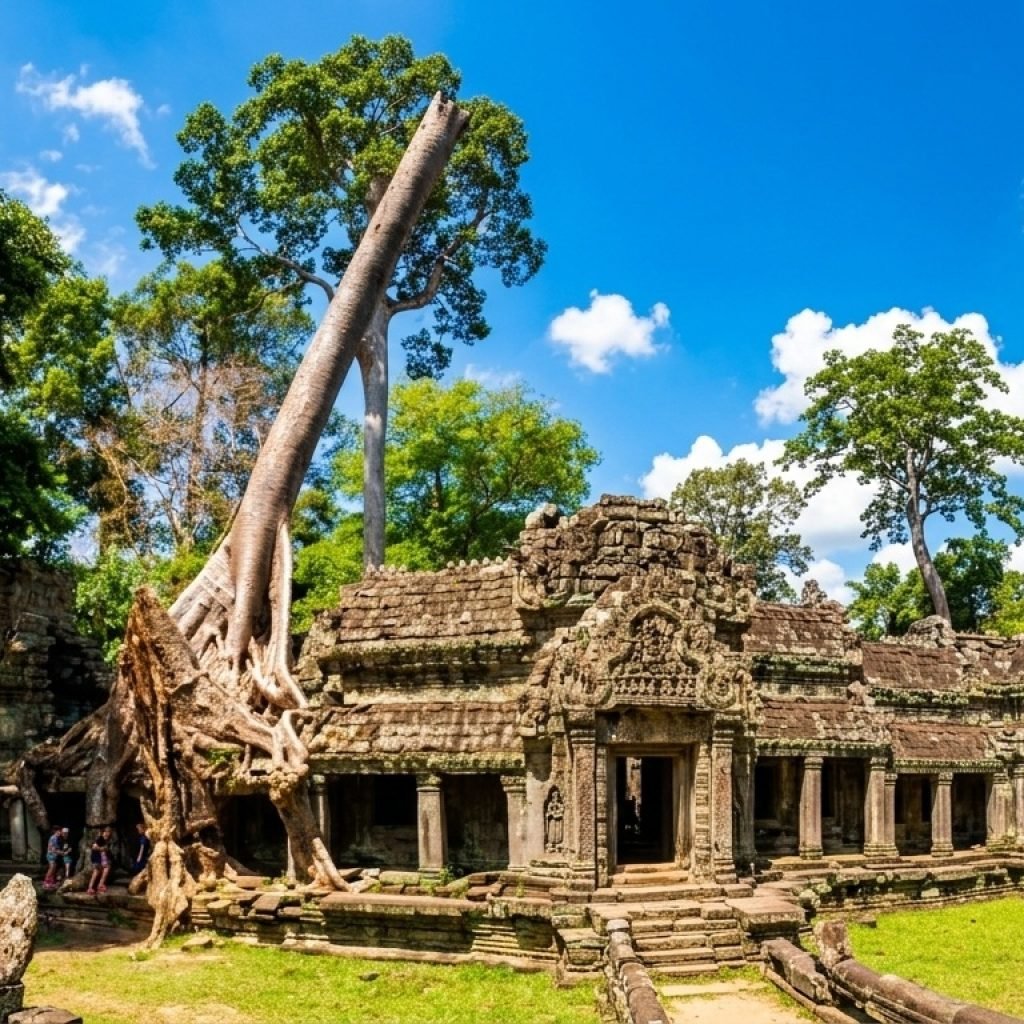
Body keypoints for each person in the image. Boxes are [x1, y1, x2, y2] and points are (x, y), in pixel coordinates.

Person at [86, 826, 113, 895]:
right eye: (105, 832)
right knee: (97, 872)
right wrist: (102, 849)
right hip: (97, 858)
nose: (107, 833)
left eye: (108, 832)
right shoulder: (100, 839)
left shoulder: (107, 840)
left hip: (102, 858)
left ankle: (99, 885)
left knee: (106, 869)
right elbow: (94, 847)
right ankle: (91, 887)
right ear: (103, 832)